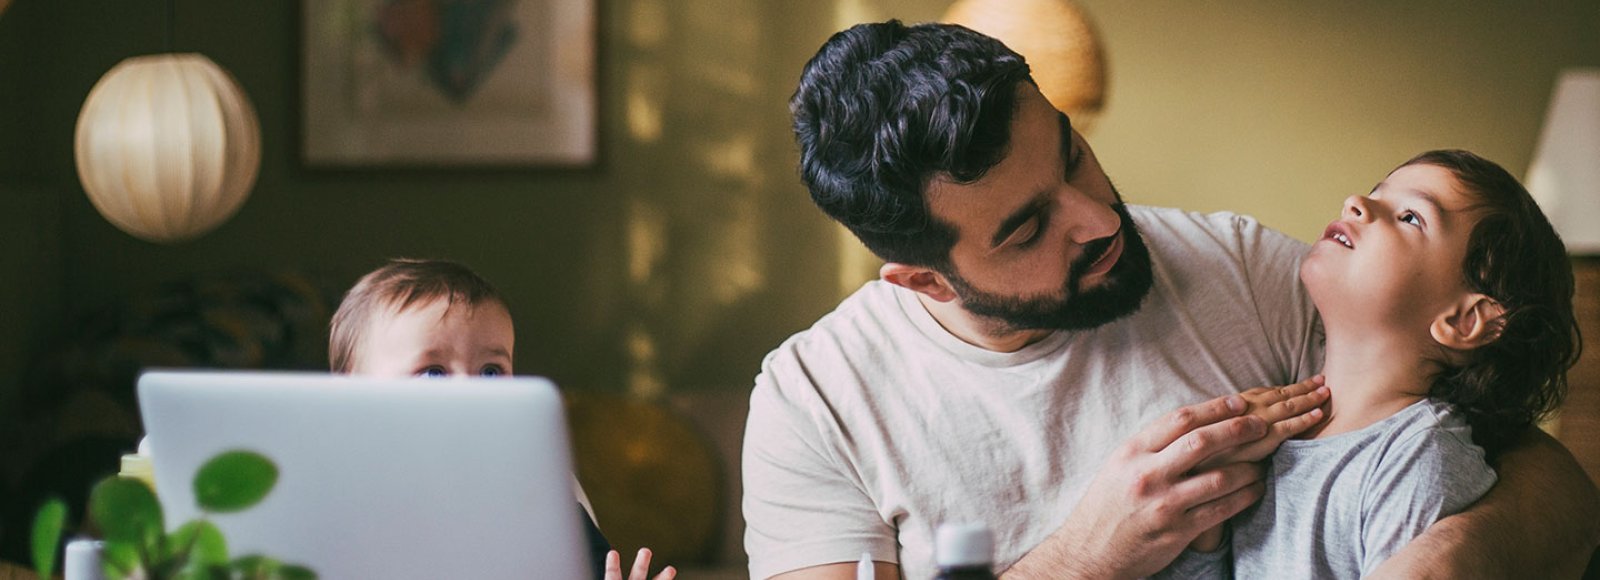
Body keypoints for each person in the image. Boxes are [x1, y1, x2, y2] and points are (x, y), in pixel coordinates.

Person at [742, 20, 1600, 579]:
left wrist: (1441, 561)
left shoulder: (1238, 268)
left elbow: (1544, 484)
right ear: (925, 281)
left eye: (1071, 155)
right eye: (1027, 227)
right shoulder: (814, 402)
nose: (1097, 218)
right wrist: (1090, 553)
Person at [1160, 150, 1578, 578]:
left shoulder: (1419, 459)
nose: (1358, 202)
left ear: (1464, 320)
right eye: (1378, 192)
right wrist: (1205, 535)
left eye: (1410, 217)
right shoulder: (1278, 438)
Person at [329, 258, 676, 580]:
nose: (471, 390)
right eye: (433, 373)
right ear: (352, 394)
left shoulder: (541, 488)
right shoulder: (335, 496)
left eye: (491, 372)